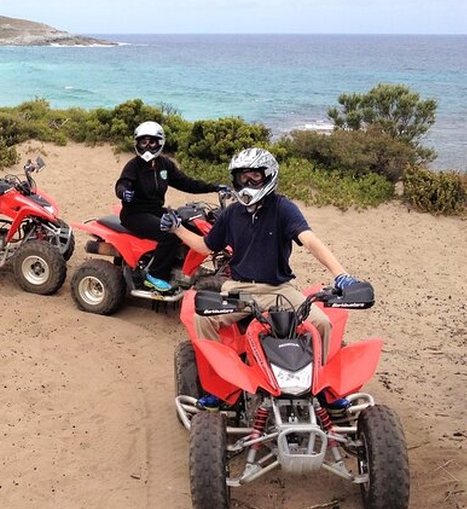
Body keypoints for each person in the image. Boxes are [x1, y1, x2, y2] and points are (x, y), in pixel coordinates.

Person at [162, 147, 359, 413]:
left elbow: (310, 240)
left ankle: (323, 389)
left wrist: (340, 273)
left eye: (254, 177)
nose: (247, 184)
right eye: (242, 178)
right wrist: (176, 229)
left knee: (322, 323)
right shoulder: (231, 214)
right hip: (239, 289)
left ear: (268, 176)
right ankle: (220, 388)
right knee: (202, 317)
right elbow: (204, 246)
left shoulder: (283, 208)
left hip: (280, 289)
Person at [114, 121, 226, 293]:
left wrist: (214, 187)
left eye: (152, 142)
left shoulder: (164, 165)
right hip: (135, 214)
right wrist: (124, 192)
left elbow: (187, 183)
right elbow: (123, 183)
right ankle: (155, 275)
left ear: (160, 142)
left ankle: (180, 267)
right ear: (137, 143)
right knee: (171, 233)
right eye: (143, 142)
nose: (147, 146)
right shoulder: (134, 166)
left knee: (188, 225)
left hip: (155, 210)